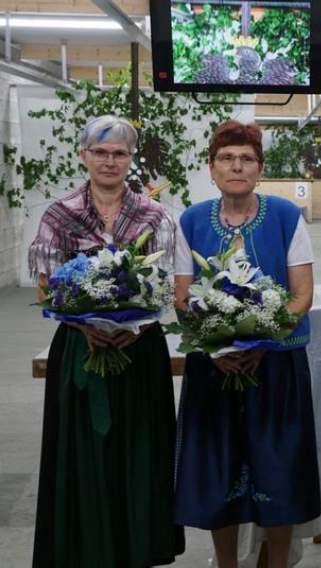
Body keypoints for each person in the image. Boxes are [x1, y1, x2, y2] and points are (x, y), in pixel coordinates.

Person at [28, 115, 185, 567]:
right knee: (84, 457)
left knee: (138, 454)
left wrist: (130, 327)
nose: (110, 160)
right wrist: (88, 327)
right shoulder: (60, 214)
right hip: (82, 349)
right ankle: (85, 549)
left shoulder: (155, 215)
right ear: (84, 155)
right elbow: (47, 289)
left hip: (140, 349)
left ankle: (137, 550)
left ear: (130, 158)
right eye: (100, 151)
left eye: (119, 152)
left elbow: (166, 291)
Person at [173, 120, 320, 568]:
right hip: (213, 370)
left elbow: (302, 295)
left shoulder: (285, 216)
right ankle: (228, 565)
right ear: (212, 168)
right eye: (226, 158)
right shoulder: (192, 220)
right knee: (219, 475)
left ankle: (276, 563)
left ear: (260, 167)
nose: (237, 166)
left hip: (274, 369)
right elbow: (182, 297)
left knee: (278, 472)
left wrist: (263, 340)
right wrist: (217, 346)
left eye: (247, 159)